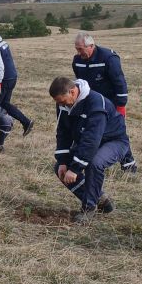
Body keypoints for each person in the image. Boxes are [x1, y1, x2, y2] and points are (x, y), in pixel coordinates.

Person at [49, 77, 130, 223]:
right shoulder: (63, 104)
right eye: (58, 102)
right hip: (90, 141)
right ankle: (100, 199)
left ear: (72, 92)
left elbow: (91, 140)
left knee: (94, 163)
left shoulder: (97, 104)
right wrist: (63, 161)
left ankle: (89, 208)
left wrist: (75, 169)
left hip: (114, 141)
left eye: (62, 101)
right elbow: (63, 133)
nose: (61, 105)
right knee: (60, 168)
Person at [72, 32, 136, 172]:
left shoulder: (108, 58)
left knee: (117, 132)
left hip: (111, 103)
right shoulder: (77, 61)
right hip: (91, 103)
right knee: (92, 130)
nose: (78, 52)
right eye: (77, 49)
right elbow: (80, 83)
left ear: (91, 46)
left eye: (80, 49)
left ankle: (128, 163)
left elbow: (119, 81)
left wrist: (121, 105)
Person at [0, 24, 34, 136]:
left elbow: (0, 66)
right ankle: (25, 122)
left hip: (4, 80)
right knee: (5, 104)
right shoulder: (2, 43)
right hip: (12, 77)